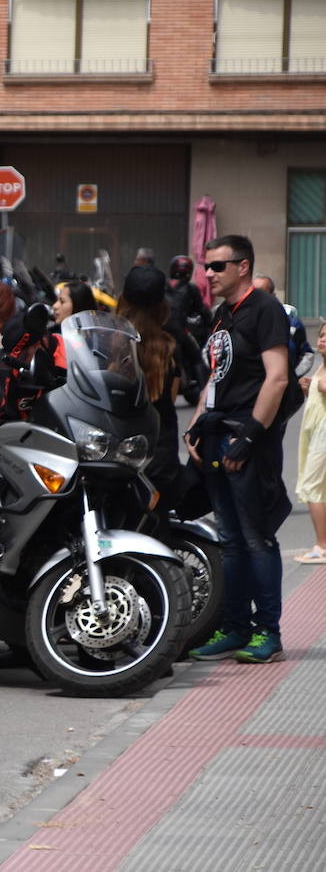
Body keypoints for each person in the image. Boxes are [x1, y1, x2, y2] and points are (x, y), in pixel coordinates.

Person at [186, 235, 292, 665]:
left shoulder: (264, 310)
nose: (208, 274)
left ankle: (268, 631)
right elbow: (216, 377)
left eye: (217, 266)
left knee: (257, 538)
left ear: (243, 266)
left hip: (247, 440)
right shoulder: (222, 315)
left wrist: (250, 435)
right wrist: (195, 426)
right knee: (230, 540)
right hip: (217, 435)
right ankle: (235, 627)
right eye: (207, 266)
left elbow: (278, 377)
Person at [117, 267, 182, 503]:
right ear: (162, 306)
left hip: (117, 451)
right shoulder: (171, 346)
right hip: (160, 453)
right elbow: (171, 398)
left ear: (123, 300)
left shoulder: (112, 342)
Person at [295, 322, 326, 565]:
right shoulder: (321, 367)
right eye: (322, 335)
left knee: (313, 486)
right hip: (316, 433)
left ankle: (322, 546)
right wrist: (310, 389)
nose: (322, 340)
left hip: (323, 437)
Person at [252, 274, 312, 376]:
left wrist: (293, 377)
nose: (257, 298)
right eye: (253, 293)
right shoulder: (242, 321)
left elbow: (307, 354)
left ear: (273, 295)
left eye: (261, 293)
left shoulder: (293, 323)